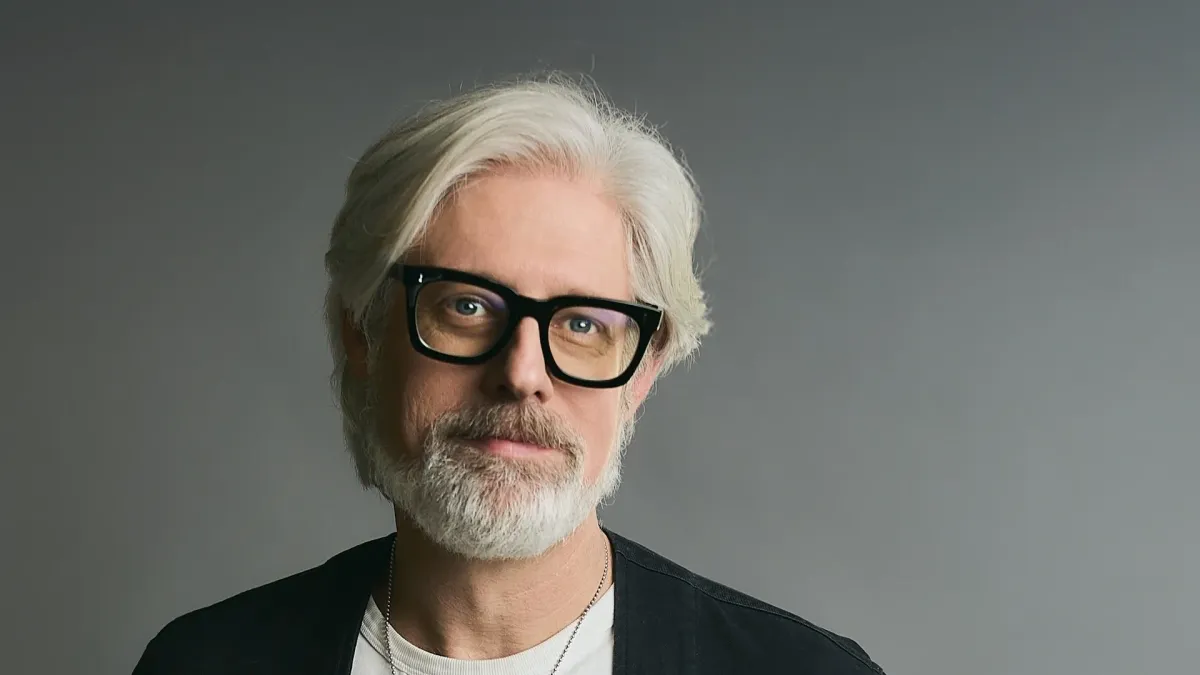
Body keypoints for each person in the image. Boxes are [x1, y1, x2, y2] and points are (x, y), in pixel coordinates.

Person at [132, 74, 886, 675]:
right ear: (360, 331)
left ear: (642, 373)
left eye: (583, 324)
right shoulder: (204, 663)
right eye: (466, 306)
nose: (522, 373)